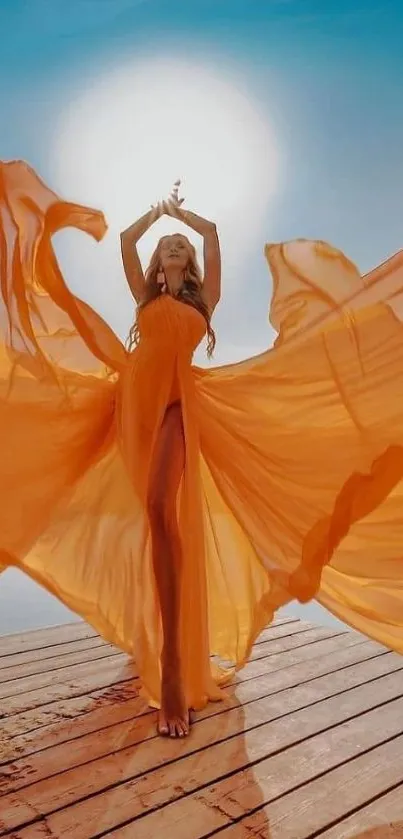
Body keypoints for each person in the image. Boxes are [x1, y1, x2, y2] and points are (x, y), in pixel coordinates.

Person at [1, 159, 403, 742]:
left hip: (175, 406)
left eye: (177, 250)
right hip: (129, 406)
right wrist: (155, 215)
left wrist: (184, 218)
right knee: (148, 519)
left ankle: (172, 677)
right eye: (167, 248)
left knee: (166, 515)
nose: (172, 250)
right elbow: (125, 238)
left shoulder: (202, 301)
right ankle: (151, 638)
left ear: (186, 264)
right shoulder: (144, 294)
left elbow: (212, 236)